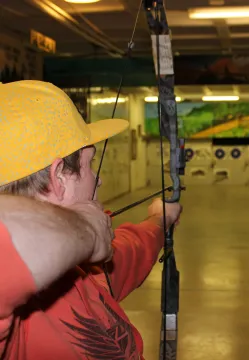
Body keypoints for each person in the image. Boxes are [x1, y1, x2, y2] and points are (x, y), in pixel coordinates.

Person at [0, 80, 182, 360]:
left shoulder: (79, 270)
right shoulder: (15, 323)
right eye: (89, 164)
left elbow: (126, 252)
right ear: (58, 177)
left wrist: (159, 219)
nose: (99, 179)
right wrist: (87, 228)